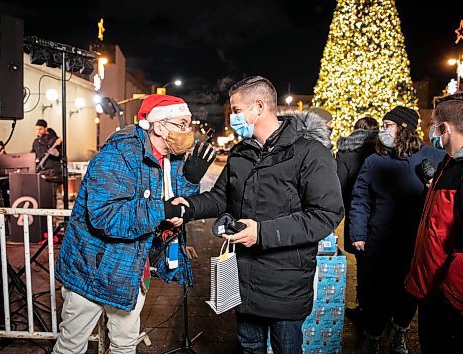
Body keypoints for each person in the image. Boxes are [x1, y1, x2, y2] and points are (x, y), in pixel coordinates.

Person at [173, 76, 344, 353]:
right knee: (249, 347)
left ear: (260, 106)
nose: (233, 118)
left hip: (285, 283)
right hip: (243, 280)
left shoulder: (309, 153)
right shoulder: (241, 152)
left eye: (237, 111)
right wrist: (189, 206)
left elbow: (326, 215)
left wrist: (262, 233)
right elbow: (221, 197)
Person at [53, 94, 214, 354]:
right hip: (94, 268)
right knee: (72, 344)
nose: (189, 132)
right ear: (160, 126)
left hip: (133, 267)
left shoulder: (171, 159)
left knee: (125, 343)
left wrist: (190, 180)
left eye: (189, 124)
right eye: (182, 124)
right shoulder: (118, 154)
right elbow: (106, 215)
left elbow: (171, 200)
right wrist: (163, 210)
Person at [349, 106, 446, 354]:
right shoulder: (374, 160)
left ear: (404, 128)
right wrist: (358, 233)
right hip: (379, 239)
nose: (383, 130)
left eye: (388, 125)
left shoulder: (433, 156)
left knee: (408, 291)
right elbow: (360, 198)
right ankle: (373, 334)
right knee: (375, 292)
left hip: (415, 240)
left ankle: (399, 330)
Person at [405, 93, 463, 353]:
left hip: (448, 298)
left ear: (446, 128)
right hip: (429, 287)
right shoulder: (446, 165)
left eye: (433, 124)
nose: (430, 131)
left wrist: (448, 295)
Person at [335, 117, 379, 320]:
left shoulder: (345, 153)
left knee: (362, 263)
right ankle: (378, 309)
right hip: (380, 213)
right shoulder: (382, 149)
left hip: (356, 211)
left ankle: (364, 306)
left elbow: (339, 185)